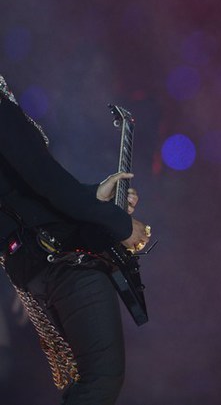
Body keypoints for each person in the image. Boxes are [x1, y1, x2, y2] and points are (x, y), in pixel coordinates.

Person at [0, 74, 150, 405]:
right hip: (63, 259)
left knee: (86, 383)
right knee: (101, 380)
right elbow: (48, 183)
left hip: (38, 262)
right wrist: (121, 224)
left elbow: (24, 191)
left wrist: (93, 194)